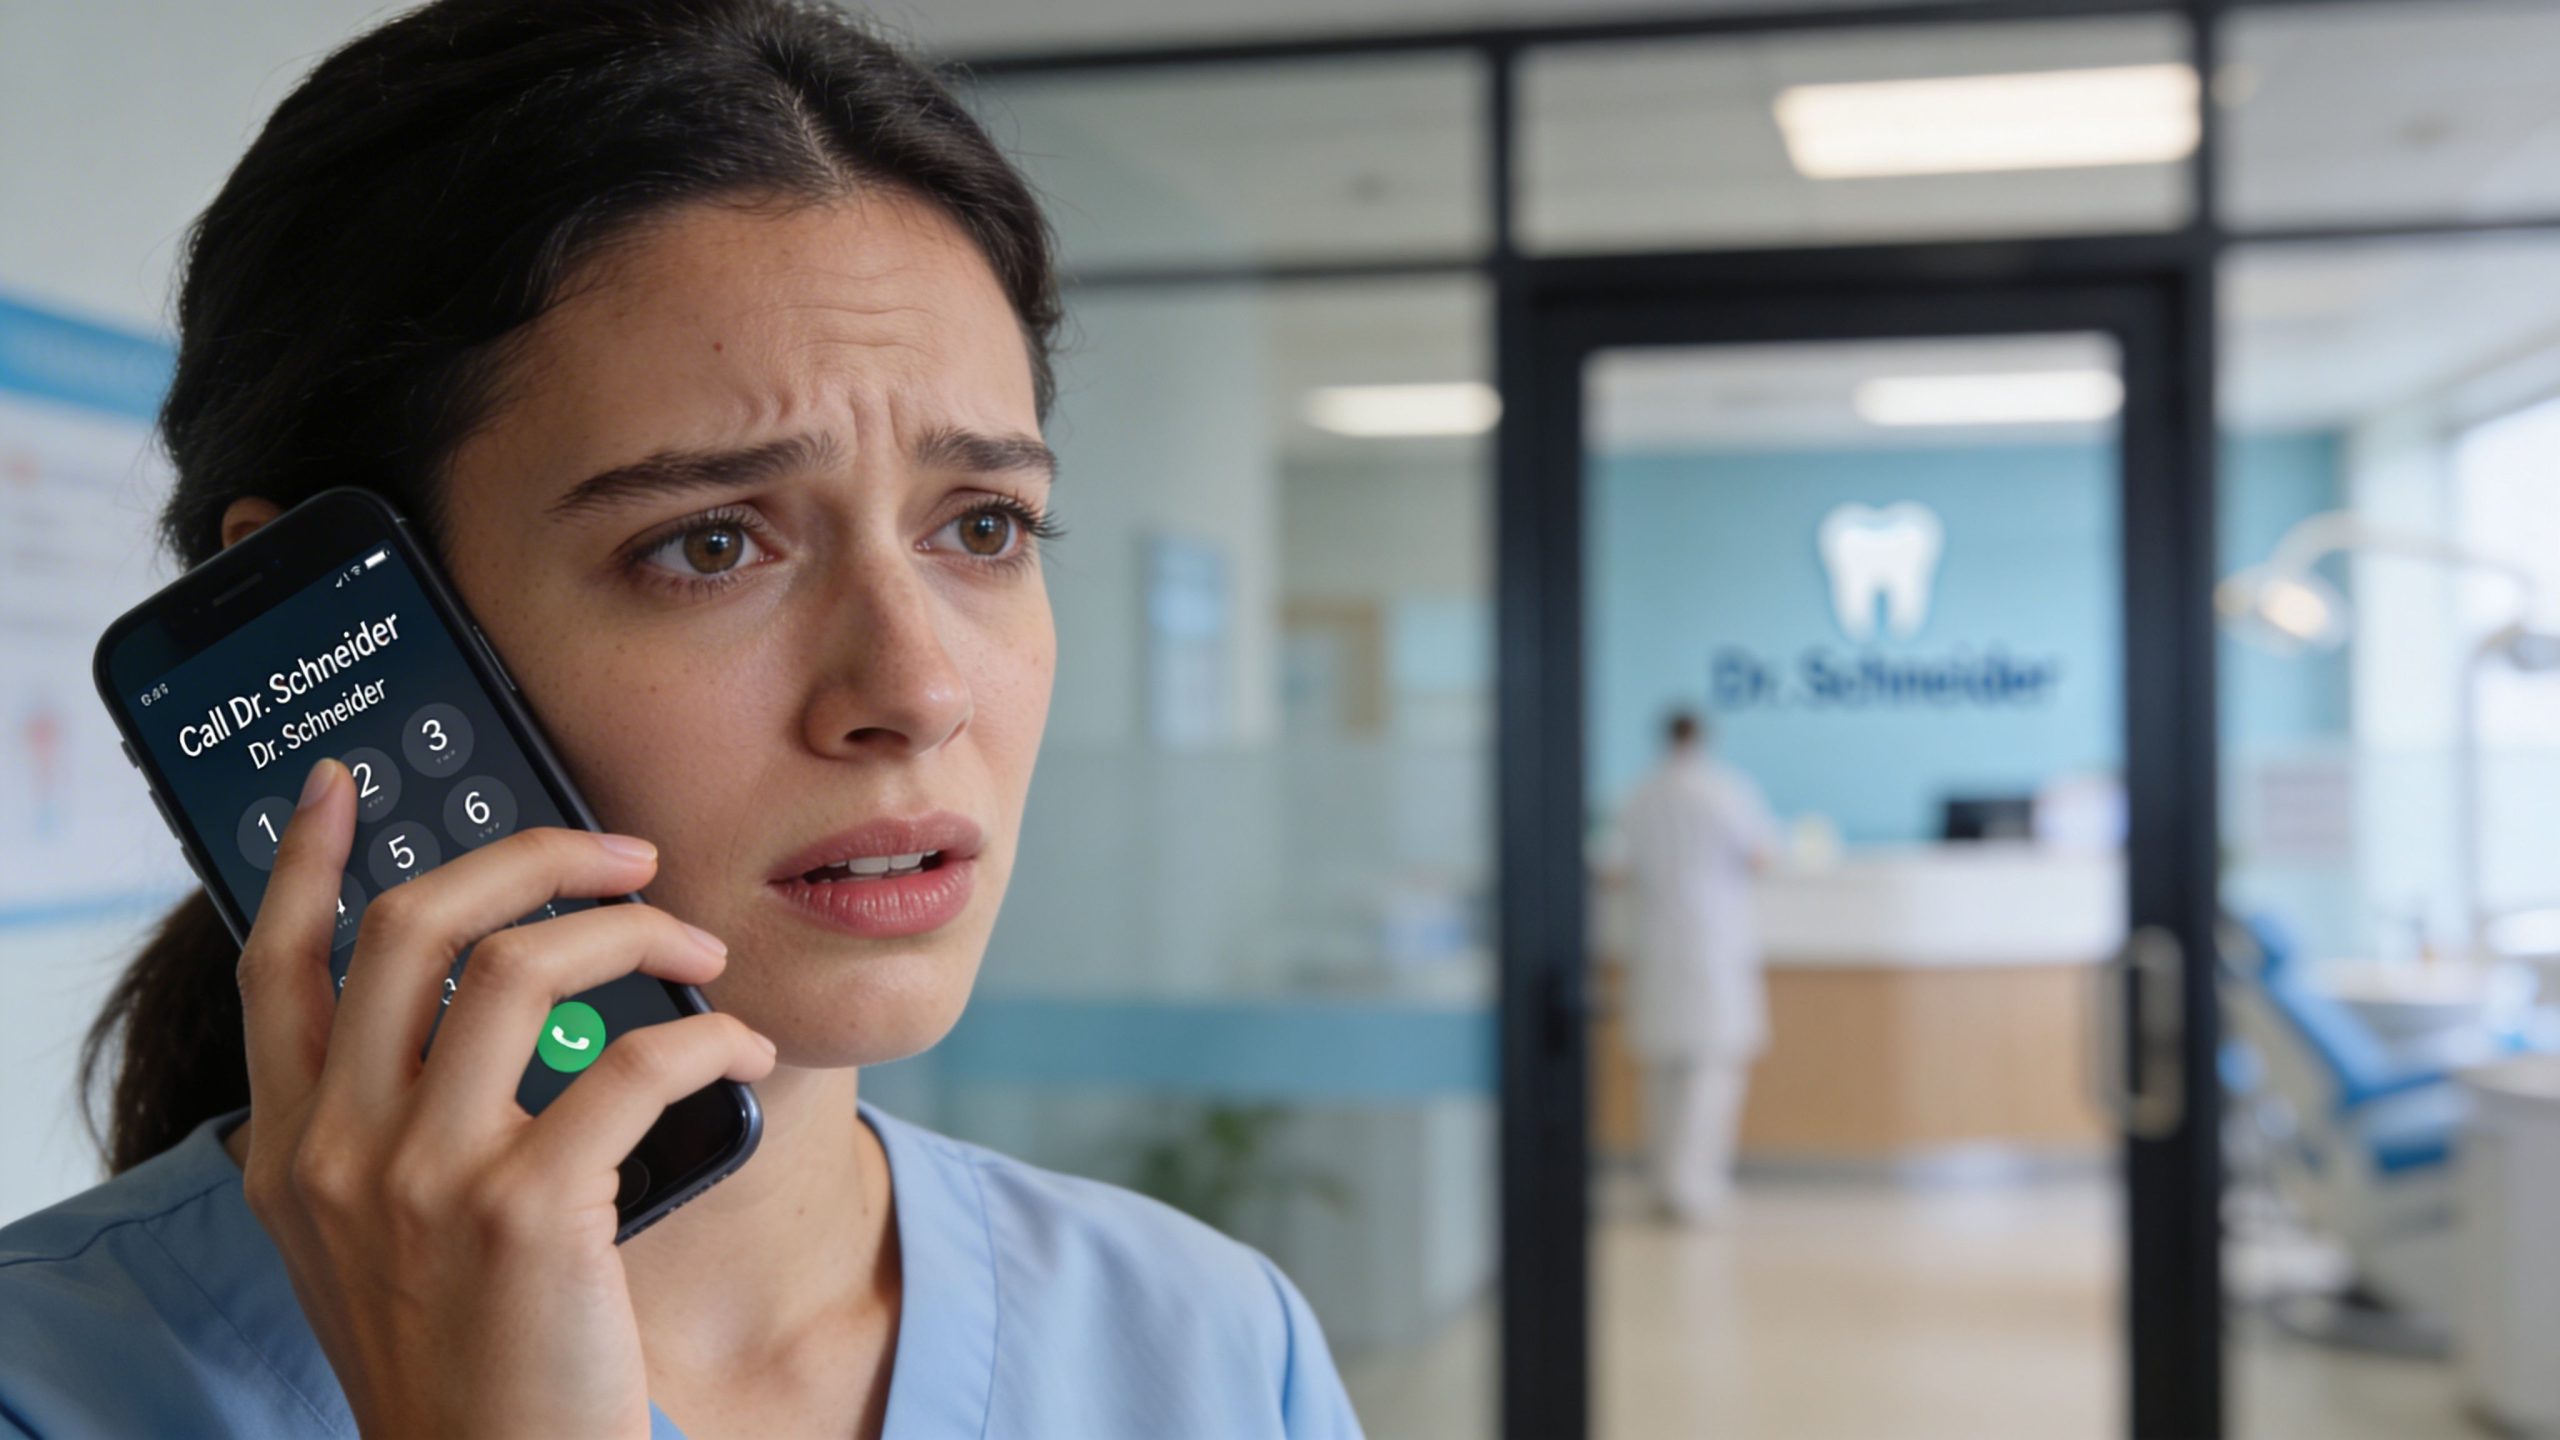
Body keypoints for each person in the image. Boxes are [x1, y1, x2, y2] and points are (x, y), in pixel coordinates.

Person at [0, 4, 1363, 1436]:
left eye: (982, 525)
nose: (918, 692)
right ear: (327, 640)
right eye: (710, 544)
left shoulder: (1213, 1345)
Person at [1613, 710, 1779, 1225]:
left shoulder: (1639, 794)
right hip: (1712, 943)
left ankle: (1665, 1182)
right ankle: (1696, 1186)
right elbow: (1760, 856)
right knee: (1711, 1070)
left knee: (1662, 1073)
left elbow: (1620, 862)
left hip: (1658, 941)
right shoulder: (1726, 791)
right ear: (1703, 738)